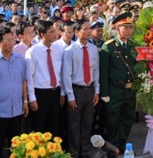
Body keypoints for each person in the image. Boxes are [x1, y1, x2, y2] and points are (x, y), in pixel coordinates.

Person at [0, 27, 28, 158]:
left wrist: (25, 101)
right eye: (7, 40)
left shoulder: (19, 59)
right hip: (0, 111)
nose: (11, 43)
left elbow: (24, 81)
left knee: (15, 146)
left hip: (17, 109)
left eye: (12, 39)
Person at [99, 12, 136, 155]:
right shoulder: (108, 47)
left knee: (127, 118)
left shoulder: (133, 46)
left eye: (130, 27)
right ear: (117, 28)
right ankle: (112, 147)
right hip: (114, 90)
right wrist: (105, 93)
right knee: (112, 120)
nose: (128, 30)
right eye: (124, 27)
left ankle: (122, 143)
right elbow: (103, 72)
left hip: (130, 90)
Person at [62, 19, 100, 157]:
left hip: (89, 90)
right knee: (74, 124)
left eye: (90, 28)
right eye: (85, 28)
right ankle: (74, 152)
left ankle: (85, 151)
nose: (89, 31)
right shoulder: (69, 51)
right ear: (77, 32)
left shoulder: (93, 49)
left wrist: (97, 90)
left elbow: (96, 71)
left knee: (87, 123)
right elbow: (66, 75)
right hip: (76, 91)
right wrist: (70, 96)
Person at [25, 20, 65, 134]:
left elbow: (60, 72)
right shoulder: (32, 52)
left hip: (55, 92)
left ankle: (54, 151)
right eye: (51, 32)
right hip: (40, 94)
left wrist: (62, 92)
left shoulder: (58, 49)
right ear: (42, 34)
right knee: (39, 128)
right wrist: (32, 98)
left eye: (54, 31)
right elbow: (29, 77)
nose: (55, 34)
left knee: (54, 127)